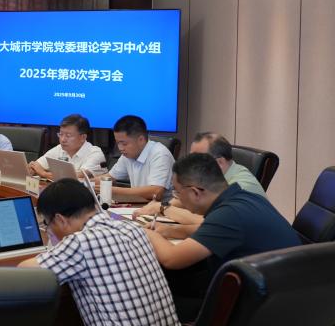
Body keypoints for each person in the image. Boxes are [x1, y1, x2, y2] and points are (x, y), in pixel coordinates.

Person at [19, 179, 180, 326]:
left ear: (60, 219)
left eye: (47, 225)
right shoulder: (132, 228)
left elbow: (25, 273)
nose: (50, 231)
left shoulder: (80, 242)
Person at [143, 153, 300, 278]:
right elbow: (214, 232)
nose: (176, 198)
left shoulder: (228, 215)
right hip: (289, 285)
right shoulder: (244, 197)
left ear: (195, 192)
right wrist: (171, 231)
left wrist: (144, 233)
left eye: (177, 192)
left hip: (265, 299)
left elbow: (171, 259)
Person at [137, 132, 267, 239]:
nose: (190, 165)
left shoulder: (241, 187)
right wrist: (161, 206)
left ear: (220, 163)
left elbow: (212, 223)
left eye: (198, 159)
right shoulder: (213, 180)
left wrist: (164, 209)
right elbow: (184, 201)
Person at [104, 115, 174, 201]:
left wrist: (112, 190)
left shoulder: (160, 154)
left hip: (162, 207)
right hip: (139, 205)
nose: (120, 148)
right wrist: (89, 183)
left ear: (141, 139)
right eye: (118, 143)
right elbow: (109, 177)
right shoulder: (127, 155)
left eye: (124, 143)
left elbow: (156, 192)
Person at [29, 113, 106, 179]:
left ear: (83, 137)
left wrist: (44, 174)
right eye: (61, 134)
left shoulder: (95, 153)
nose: (63, 139)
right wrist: (33, 168)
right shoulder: (59, 148)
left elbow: (77, 177)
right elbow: (34, 166)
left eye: (68, 135)